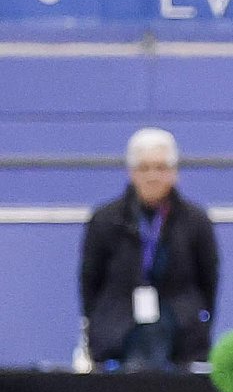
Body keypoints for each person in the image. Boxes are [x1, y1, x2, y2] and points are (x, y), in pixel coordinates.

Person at [79, 127, 219, 369]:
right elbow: (90, 281)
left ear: (175, 173)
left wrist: (198, 320)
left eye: (161, 168)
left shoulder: (196, 221)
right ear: (131, 173)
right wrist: (100, 321)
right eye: (144, 168)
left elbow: (209, 281)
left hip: (180, 328)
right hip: (119, 326)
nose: (152, 176)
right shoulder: (105, 219)